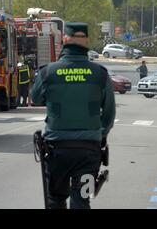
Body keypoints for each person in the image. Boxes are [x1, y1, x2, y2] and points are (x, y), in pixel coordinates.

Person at [31, 22, 116, 209]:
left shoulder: (48, 72)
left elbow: (35, 98)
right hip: (89, 153)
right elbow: (109, 112)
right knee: (81, 201)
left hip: (57, 151)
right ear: (87, 42)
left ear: (64, 40)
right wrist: (100, 135)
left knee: (56, 200)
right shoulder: (100, 74)